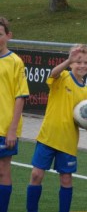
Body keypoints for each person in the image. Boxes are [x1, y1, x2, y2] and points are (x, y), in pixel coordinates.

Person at [26, 44, 87, 212]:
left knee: (66, 179)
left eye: (86, 62)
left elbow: (81, 119)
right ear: (72, 63)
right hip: (48, 136)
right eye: (78, 61)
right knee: (36, 175)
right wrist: (68, 61)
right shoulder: (62, 76)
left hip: (68, 142)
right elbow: (53, 73)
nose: (82, 65)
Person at [0, 16, 29, 212]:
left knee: (3, 171)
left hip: (4, 127)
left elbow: (21, 96)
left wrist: (12, 130)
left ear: (8, 36)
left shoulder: (15, 61)